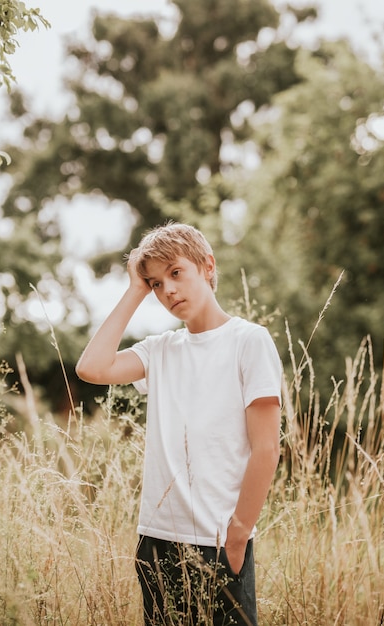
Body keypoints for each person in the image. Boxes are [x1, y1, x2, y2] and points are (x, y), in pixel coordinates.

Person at [76, 222, 282, 626]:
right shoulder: (160, 350)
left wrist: (237, 536)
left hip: (219, 543)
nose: (167, 290)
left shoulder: (249, 341)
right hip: (156, 542)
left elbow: (266, 448)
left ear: (207, 266)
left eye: (175, 273)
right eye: (156, 283)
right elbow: (91, 367)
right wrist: (136, 287)